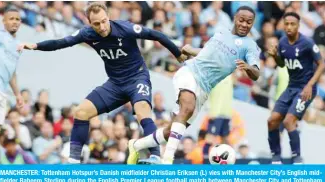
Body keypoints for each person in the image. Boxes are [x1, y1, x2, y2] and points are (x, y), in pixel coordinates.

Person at [18, 2, 186, 164]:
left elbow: (156, 35)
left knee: (143, 112)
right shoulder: (87, 34)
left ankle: (155, 156)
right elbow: (61, 42)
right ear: (90, 23)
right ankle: (73, 162)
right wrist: (35, 45)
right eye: (97, 24)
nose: (102, 27)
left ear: (108, 17)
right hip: (115, 84)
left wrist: (177, 54)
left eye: (104, 21)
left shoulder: (125, 28)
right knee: (81, 112)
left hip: (137, 78)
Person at [128, 6, 261, 164]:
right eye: (242, 20)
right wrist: (191, 50)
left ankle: (136, 145)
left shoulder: (249, 45)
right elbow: (206, 53)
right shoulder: (220, 32)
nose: (245, 24)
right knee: (187, 108)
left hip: (204, 89)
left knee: (173, 129)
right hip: (190, 72)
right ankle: (167, 160)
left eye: (249, 22)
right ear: (235, 19)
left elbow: (256, 74)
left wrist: (249, 68)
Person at [266, 12, 324, 164]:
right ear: (283, 25)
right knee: (272, 120)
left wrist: (310, 85)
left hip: (306, 89)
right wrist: (274, 56)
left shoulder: (307, 43)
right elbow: (282, 65)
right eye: (286, 24)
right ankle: (276, 159)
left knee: (288, 121)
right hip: (291, 87)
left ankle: (297, 159)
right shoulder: (283, 43)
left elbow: (322, 64)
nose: (289, 27)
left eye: (293, 24)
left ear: (298, 26)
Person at [0, 8, 24, 139]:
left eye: (17, 19)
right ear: (4, 21)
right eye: (11, 19)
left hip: (3, 91)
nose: (15, 22)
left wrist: (18, 94)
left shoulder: (18, 46)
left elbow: (12, 73)